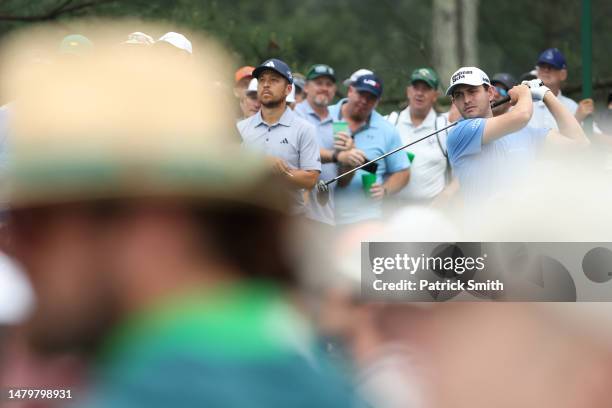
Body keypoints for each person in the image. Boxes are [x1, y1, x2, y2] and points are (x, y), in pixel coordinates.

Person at [0, 30, 353, 407]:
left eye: (34, 223)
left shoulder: (138, 392)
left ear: (149, 221)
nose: (12, 246)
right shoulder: (303, 368)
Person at [445, 66, 588, 208]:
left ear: (490, 93)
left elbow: (580, 145)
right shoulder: (460, 132)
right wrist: (525, 92)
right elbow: (522, 116)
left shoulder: (525, 132)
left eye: (472, 91)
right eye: (459, 95)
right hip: (484, 230)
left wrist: (546, 94)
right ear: (454, 102)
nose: (466, 100)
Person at [237, 58, 321, 216]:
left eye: (274, 80)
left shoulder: (305, 129)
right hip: (247, 220)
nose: (266, 84)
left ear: (288, 90)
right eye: (262, 80)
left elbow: (311, 179)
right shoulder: (241, 128)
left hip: (289, 223)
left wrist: (279, 172)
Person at [329, 73, 410, 225]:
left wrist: (385, 189)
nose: (364, 101)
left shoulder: (386, 129)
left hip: (365, 219)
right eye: (361, 94)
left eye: (371, 98)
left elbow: (403, 172)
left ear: (377, 102)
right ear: (350, 91)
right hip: (323, 216)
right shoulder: (325, 116)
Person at [294, 64, 355, 226]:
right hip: (296, 214)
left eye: (329, 84)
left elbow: (343, 182)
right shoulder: (294, 113)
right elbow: (303, 150)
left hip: (326, 217)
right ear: (306, 87)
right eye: (319, 83)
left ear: (334, 90)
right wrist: (337, 155)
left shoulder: (339, 125)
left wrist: (348, 159)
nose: (324, 88)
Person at [386, 68, 456, 206]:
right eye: (416, 87)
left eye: (426, 89)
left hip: (432, 208)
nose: (419, 93)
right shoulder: (390, 121)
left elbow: (464, 168)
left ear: (435, 95)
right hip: (392, 208)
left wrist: (447, 195)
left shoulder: (445, 125)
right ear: (408, 91)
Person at [529, 48, 593, 129]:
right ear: (537, 71)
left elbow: (596, 136)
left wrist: (577, 119)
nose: (545, 70)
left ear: (563, 74)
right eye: (542, 66)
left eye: (551, 67)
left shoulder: (573, 107)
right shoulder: (524, 102)